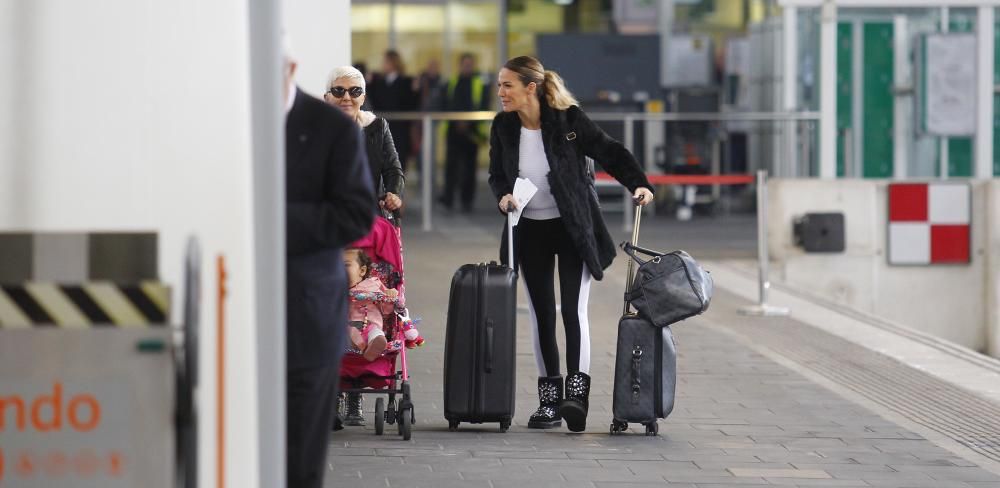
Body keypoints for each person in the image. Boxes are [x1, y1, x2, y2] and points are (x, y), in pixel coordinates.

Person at [488, 56, 654, 433]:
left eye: (507, 85)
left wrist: (638, 183)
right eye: (500, 86)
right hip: (528, 230)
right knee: (540, 314)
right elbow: (497, 174)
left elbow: (610, 151)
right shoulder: (502, 127)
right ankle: (549, 402)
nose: (501, 93)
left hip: (571, 227)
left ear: (530, 87)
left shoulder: (568, 121)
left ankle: (576, 396)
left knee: (572, 312)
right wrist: (503, 197)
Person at [284, 44, 375, 488]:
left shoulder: (331, 129)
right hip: (237, 315)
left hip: (308, 313)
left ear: (290, 68)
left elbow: (356, 214)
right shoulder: (230, 120)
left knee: (301, 455)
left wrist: (272, 219)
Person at [324, 65, 405, 214]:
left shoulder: (378, 127)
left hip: (368, 216)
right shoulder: (315, 131)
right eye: (338, 91)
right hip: (328, 219)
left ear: (363, 98)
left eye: (355, 91)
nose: (347, 98)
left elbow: (393, 170)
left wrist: (394, 194)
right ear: (326, 97)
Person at [439, 53, 491, 213]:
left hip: (472, 133)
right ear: (460, 65)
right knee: (451, 167)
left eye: (470, 64)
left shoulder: (479, 84)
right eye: (465, 64)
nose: (467, 67)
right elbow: (446, 104)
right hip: (453, 131)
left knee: (469, 168)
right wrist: (458, 122)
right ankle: (448, 199)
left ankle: (466, 200)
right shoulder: (451, 82)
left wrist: (468, 123)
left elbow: (483, 104)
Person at [344, 248, 399, 361]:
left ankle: (375, 345)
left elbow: (386, 310)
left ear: (362, 271)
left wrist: (389, 295)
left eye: (346, 265)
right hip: (345, 328)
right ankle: (364, 349)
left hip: (368, 323)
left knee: (375, 332)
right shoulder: (334, 288)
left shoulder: (373, 284)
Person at [367, 50, 417, 173]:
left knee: (399, 164)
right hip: (383, 128)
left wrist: (416, 91)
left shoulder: (406, 81)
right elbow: (375, 103)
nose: (383, 65)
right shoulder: (378, 82)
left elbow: (410, 104)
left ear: (393, 63)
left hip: (400, 129)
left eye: (385, 62)